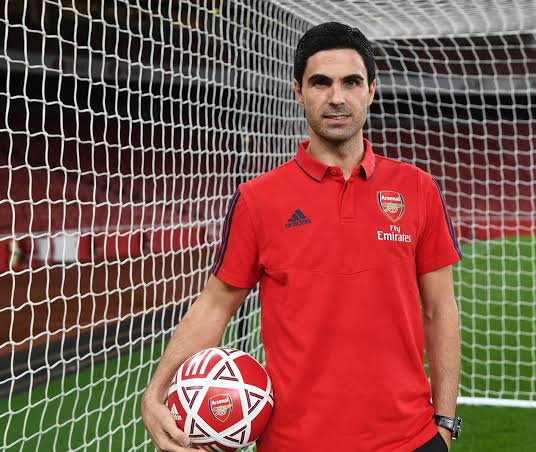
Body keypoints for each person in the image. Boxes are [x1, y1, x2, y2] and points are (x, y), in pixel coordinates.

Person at [141, 22, 462, 452]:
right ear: (298, 91)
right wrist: (155, 392)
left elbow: (440, 309)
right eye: (320, 82)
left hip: (409, 440)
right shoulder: (258, 199)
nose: (337, 97)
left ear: (371, 90)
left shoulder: (417, 189)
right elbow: (215, 305)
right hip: (294, 442)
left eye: (351, 82)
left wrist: (444, 423)